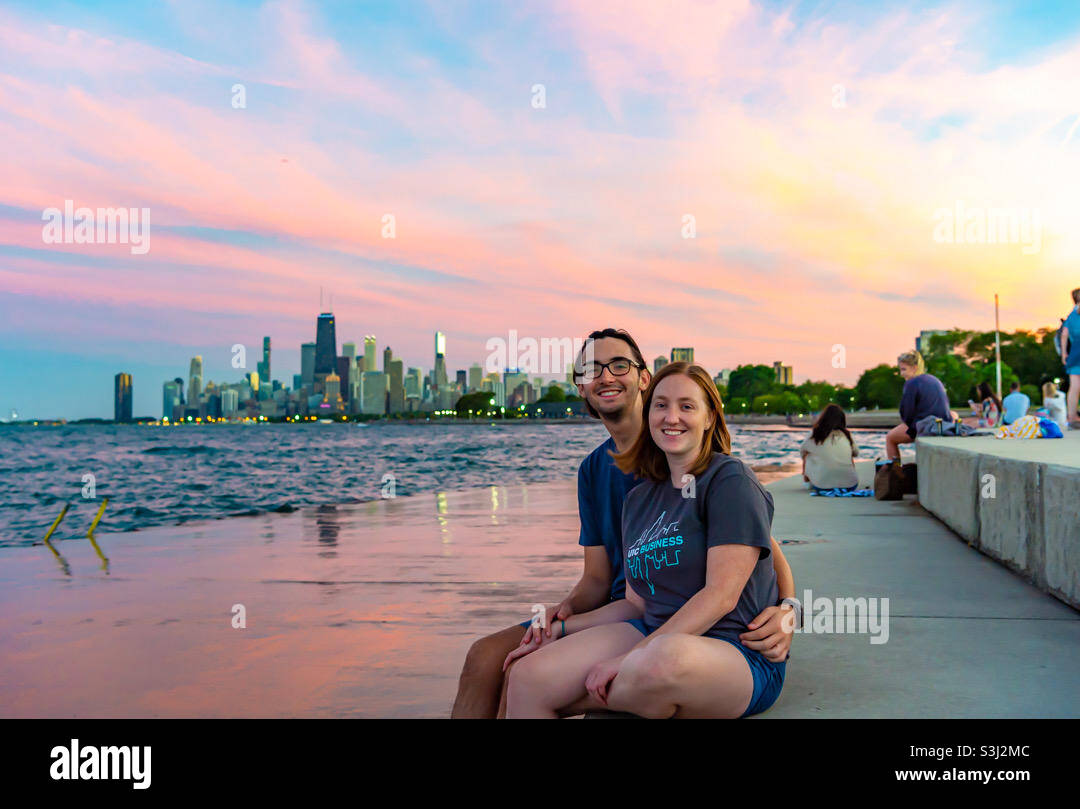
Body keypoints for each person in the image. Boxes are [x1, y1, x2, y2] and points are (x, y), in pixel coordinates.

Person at [449, 329, 797, 718]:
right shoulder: (618, 484)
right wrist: (557, 620)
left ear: (642, 380)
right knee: (506, 665)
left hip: (710, 640)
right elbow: (603, 584)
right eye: (591, 369)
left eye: (619, 365)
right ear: (580, 386)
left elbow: (753, 555)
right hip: (637, 617)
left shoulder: (720, 473)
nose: (671, 418)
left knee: (656, 660)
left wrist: (788, 607)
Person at [885, 350, 955, 460]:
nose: (901, 374)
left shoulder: (911, 383)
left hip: (926, 427)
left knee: (890, 438)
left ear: (914, 368)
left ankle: (895, 472)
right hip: (944, 424)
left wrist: (910, 427)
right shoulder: (934, 379)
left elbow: (906, 414)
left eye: (904, 369)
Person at [800, 404, 858, 491]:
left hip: (823, 486)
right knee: (849, 454)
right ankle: (846, 477)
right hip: (851, 485)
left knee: (807, 455)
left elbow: (802, 451)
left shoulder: (815, 434)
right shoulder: (846, 435)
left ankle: (807, 483)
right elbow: (856, 453)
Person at [1060, 288, 1080, 428]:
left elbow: (1064, 335)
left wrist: (1063, 354)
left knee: (1074, 387)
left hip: (1074, 352)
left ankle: (1072, 417)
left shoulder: (1071, 315)